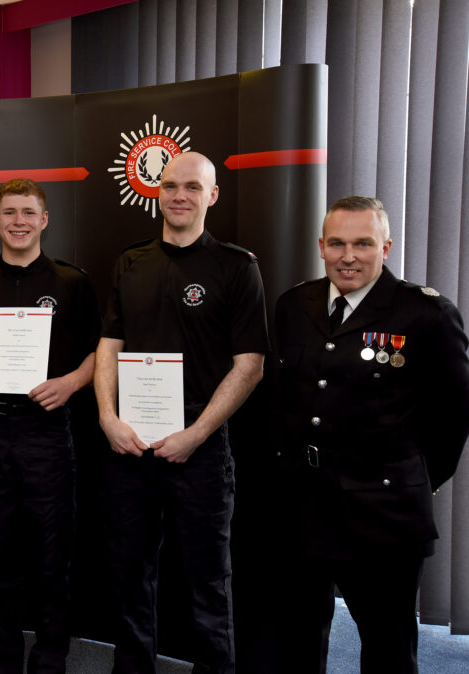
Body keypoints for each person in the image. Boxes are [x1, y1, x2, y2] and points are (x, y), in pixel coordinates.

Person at [274, 196, 469, 673]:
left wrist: (415, 479)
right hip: (306, 502)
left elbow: (454, 415)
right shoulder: (294, 304)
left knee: (387, 646)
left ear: (386, 246)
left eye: (362, 243)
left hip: (384, 512)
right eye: (337, 243)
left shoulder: (427, 314)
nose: (348, 256)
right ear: (321, 246)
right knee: (299, 638)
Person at [94, 152, 268, 673]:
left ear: (212, 195)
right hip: (130, 446)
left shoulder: (238, 267)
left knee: (207, 586)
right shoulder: (130, 261)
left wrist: (195, 434)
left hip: (201, 449)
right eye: (170, 185)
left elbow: (250, 365)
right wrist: (106, 416)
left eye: (193, 187)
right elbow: (110, 343)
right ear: (157, 191)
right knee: (130, 579)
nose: (179, 195)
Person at [0, 178, 100, 673]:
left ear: (45, 220)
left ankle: (51, 651)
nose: (19, 221)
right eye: (9, 212)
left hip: (47, 431)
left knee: (51, 548)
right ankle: (4, 649)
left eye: (28, 212)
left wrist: (71, 384)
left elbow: (99, 353)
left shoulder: (72, 283)